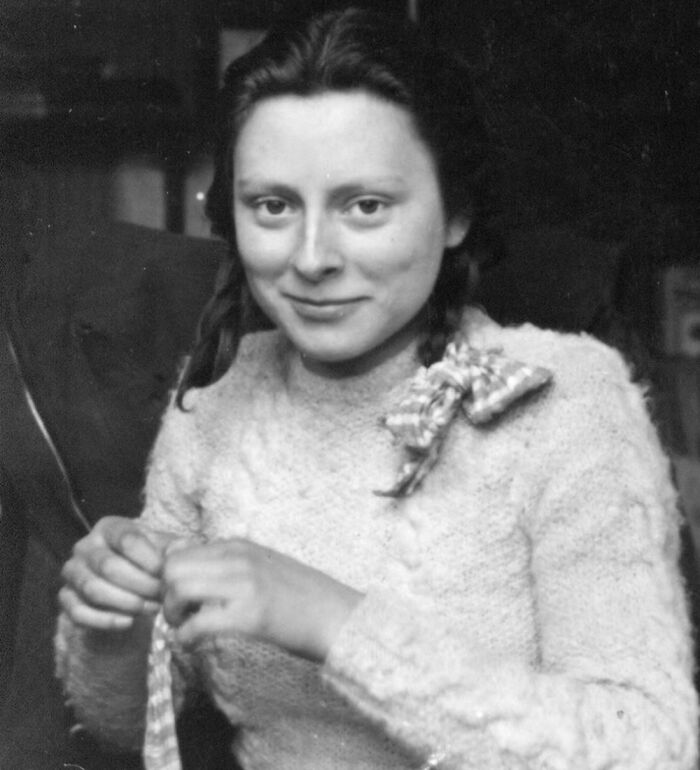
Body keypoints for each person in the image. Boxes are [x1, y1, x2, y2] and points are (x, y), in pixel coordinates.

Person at [54, 6, 698, 769]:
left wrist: (338, 625)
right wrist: (114, 629)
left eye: (366, 206)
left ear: (455, 213)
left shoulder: (567, 401)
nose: (312, 257)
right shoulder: (218, 404)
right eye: (274, 206)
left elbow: (653, 746)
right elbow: (129, 726)